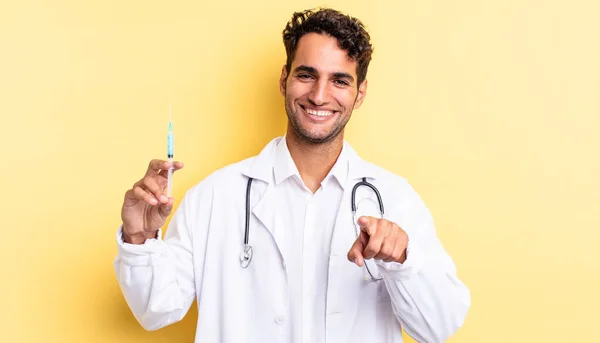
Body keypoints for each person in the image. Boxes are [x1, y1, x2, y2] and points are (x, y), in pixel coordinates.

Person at [114, 7, 470, 343]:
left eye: (339, 81)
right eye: (306, 75)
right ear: (284, 79)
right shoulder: (213, 197)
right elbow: (155, 309)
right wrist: (138, 237)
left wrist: (402, 260)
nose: (319, 95)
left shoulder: (394, 198)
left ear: (360, 94)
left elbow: (439, 326)